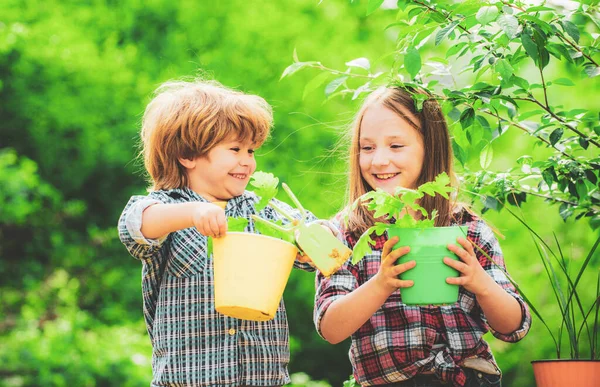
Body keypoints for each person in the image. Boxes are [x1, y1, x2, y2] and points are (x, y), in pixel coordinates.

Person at [314, 86, 531, 387]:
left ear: (431, 147)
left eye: (395, 146)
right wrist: (383, 282)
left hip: (469, 377)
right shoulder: (349, 232)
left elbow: (514, 326)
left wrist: (478, 281)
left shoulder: (466, 228)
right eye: (367, 148)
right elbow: (330, 327)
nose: (378, 160)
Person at [118, 78, 316, 386]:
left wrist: (315, 242)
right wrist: (193, 213)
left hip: (261, 378)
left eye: (251, 151)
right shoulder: (165, 207)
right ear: (188, 155)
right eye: (235, 149)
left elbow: (311, 235)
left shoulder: (261, 208)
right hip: (187, 380)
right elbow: (134, 227)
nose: (247, 162)